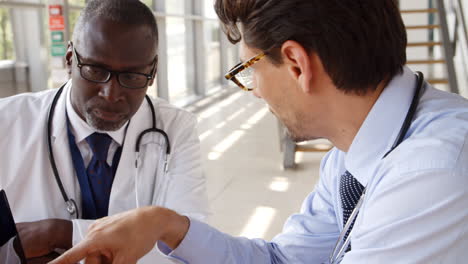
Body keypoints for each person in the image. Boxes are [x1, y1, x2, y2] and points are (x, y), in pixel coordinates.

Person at [51, 0, 468, 263]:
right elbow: (285, 260)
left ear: (296, 64)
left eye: (248, 71)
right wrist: (164, 225)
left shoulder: (433, 174)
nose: (253, 93)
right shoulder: (353, 150)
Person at [0, 0, 209, 263]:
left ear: (153, 72)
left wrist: (60, 233)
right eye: (95, 70)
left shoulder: (177, 128)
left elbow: (193, 245)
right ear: (69, 60)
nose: (111, 94)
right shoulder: (6, 122)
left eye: (132, 76)